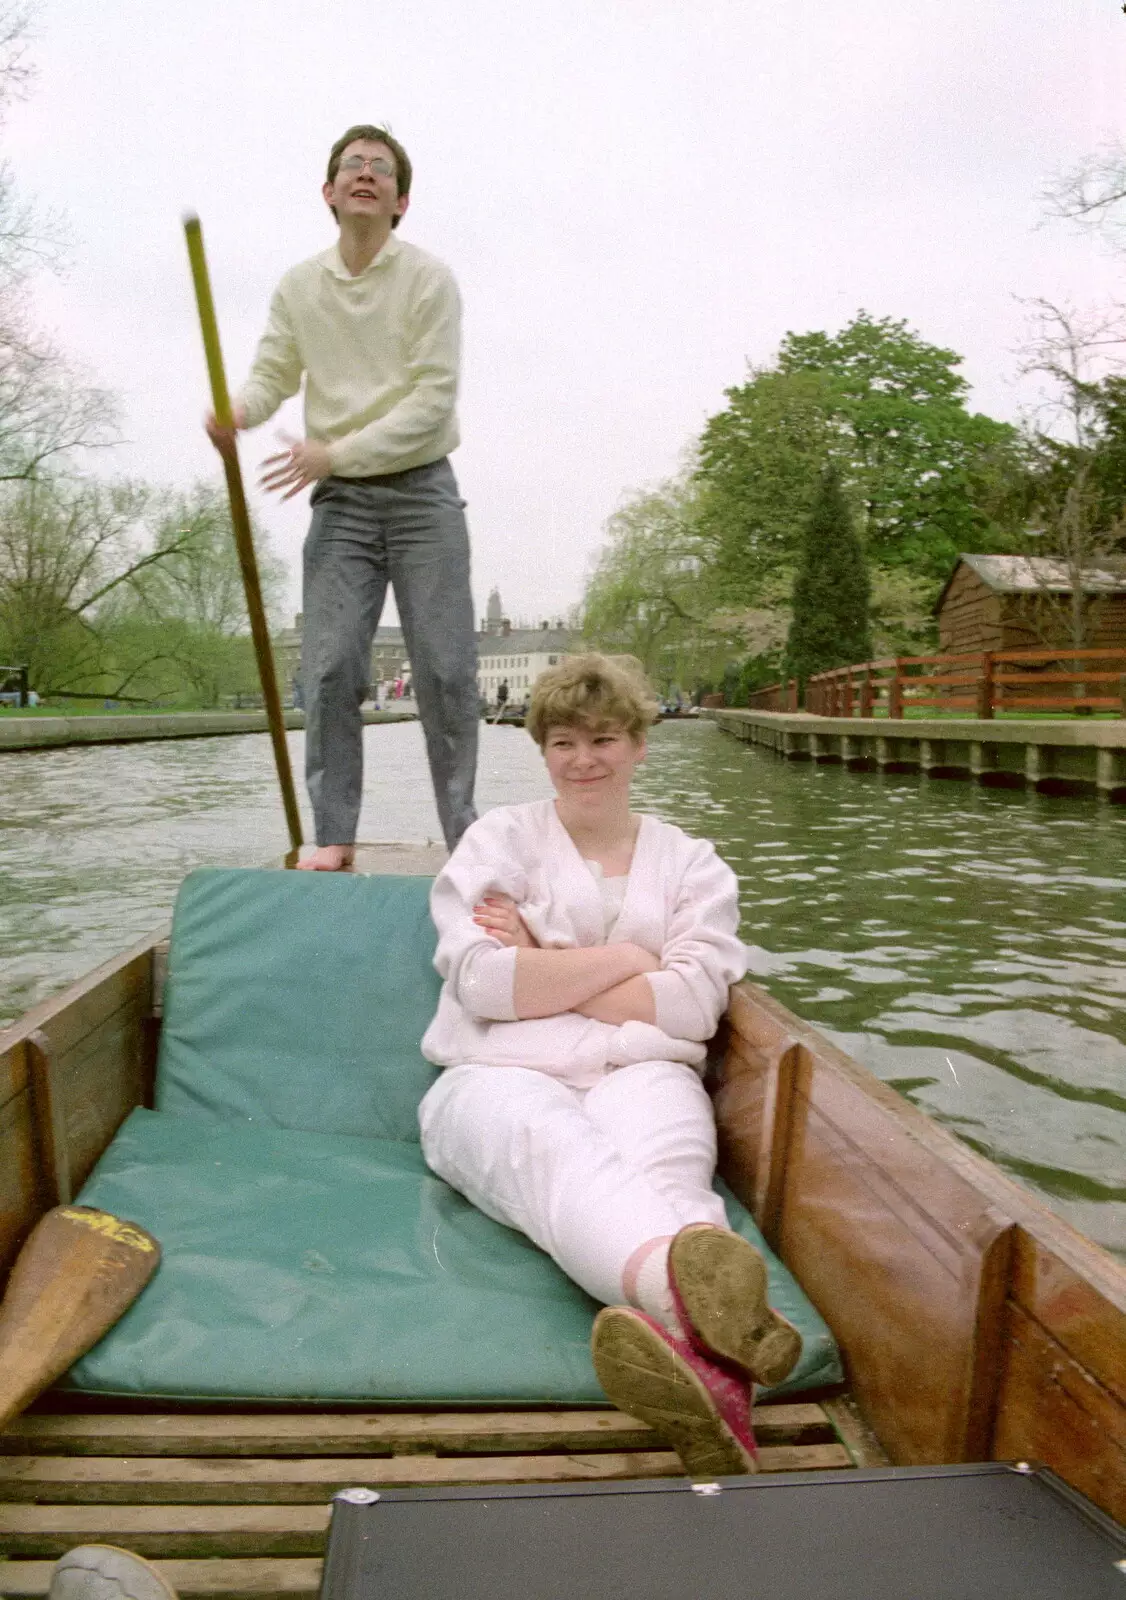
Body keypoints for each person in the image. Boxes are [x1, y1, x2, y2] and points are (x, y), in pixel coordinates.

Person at [417, 654, 801, 1476]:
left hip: (642, 1071)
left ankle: (715, 1394)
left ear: (638, 746)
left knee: (669, 1166)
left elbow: (695, 1007)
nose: (583, 758)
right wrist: (632, 958)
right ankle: (704, 1311)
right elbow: (485, 987)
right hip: (497, 1076)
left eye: (603, 739)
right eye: (563, 741)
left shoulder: (692, 864)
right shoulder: (500, 843)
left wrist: (549, 962)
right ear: (542, 750)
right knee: (556, 1152)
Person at [205, 122, 478, 868]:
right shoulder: (300, 287)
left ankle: (465, 839)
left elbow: (432, 401)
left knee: (447, 670)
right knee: (328, 668)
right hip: (344, 507)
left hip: (423, 492)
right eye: (351, 166)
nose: (365, 174)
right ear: (328, 193)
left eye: (380, 169)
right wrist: (238, 412)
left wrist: (334, 452)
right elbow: (273, 375)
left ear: (401, 201)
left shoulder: (429, 280)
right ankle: (332, 836)